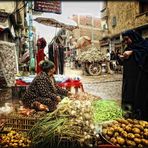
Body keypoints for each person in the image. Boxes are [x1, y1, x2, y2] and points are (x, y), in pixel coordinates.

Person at [118, 30, 148, 121]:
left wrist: (133, 52)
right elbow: (124, 62)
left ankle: (140, 117)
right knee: (128, 95)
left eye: (127, 39)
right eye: (124, 40)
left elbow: (145, 54)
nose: (126, 42)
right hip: (128, 78)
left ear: (133, 37)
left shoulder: (144, 45)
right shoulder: (128, 48)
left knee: (139, 96)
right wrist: (121, 58)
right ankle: (128, 115)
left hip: (140, 78)